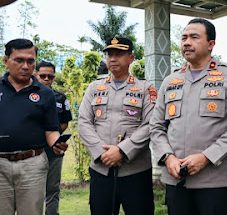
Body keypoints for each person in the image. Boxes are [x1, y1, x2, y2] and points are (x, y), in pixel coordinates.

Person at [150, 18, 227, 215]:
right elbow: (156, 126)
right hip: (176, 179)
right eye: (184, 38)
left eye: (194, 37)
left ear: (211, 44)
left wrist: (207, 157)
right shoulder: (171, 80)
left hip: (215, 181)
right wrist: (167, 156)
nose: (186, 42)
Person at [78, 36, 155, 215]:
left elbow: (151, 124)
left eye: (119, 54)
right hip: (101, 169)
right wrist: (101, 153)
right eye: (110, 54)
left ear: (131, 58)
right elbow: (84, 122)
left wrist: (121, 151)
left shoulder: (145, 88)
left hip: (135, 171)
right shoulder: (94, 88)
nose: (113, 59)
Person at [0, 38, 66, 215]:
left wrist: (57, 143)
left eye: (30, 61)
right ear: (6, 61)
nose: (25, 66)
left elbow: (51, 129)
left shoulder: (45, 93)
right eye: (19, 60)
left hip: (32, 164)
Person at [35, 60, 73, 215]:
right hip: (33, 151)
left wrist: (52, 134)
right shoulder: (28, 96)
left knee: (52, 189)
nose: (46, 79)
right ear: (35, 75)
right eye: (42, 75)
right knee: (32, 191)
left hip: (54, 151)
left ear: (54, 77)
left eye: (49, 76)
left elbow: (64, 122)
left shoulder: (60, 98)